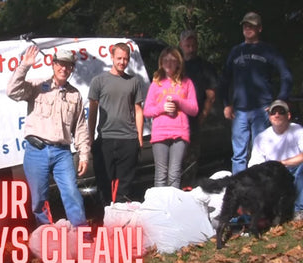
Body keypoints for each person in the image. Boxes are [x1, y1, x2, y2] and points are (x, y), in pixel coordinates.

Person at [6, 46, 91, 228]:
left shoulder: (75, 95)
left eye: (68, 65)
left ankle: (82, 234)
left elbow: (81, 127)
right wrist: (24, 66)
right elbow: (12, 91)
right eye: (60, 64)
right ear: (53, 65)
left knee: (72, 193)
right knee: (39, 199)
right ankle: (47, 235)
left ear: (72, 69)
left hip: (62, 154)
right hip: (36, 151)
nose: (63, 68)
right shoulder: (37, 85)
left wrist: (84, 154)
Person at [218, 12, 293, 174]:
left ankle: (261, 190)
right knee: (238, 155)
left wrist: (280, 101)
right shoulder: (235, 51)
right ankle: (239, 190)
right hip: (239, 112)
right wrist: (226, 104)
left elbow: (286, 75)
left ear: (259, 28)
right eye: (245, 25)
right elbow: (224, 80)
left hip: (262, 109)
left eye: (251, 26)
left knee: (262, 153)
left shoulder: (268, 50)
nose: (248, 28)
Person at [88, 42, 145, 209]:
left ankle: (121, 218)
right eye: (119, 58)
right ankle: (105, 219)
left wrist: (139, 137)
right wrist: (91, 137)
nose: (122, 62)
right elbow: (92, 112)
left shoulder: (133, 81)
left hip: (128, 139)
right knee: (104, 183)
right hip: (105, 139)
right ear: (112, 57)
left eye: (126, 59)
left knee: (125, 186)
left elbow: (138, 110)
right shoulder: (98, 81)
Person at [248, 100, 303, 221]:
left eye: (281, 112)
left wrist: (282, 163)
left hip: (294, 172)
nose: (277, 115)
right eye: (273, 112)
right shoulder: (261, 138)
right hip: (273, 176)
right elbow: (254, 165)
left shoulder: (298, 130)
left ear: (288, 115)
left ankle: (299, 211)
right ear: (269, 117)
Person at [143, 47, 198, 188]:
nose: (169, 63)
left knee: (174, 173)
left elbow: (194, 110)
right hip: (160, 133)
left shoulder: (187, 82)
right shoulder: (156, 83)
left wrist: (179, 101)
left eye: (173, 60)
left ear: (179, 63)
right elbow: (147, 111)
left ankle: (173, 206)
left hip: (180, 132)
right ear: (161, 62)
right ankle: (160, 208)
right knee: (161, 173)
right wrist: (162, 108)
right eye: (166, 60)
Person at [178, 30, 218, 187]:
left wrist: (203, 116)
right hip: (174, 122)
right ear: (181, 45)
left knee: (189, 163)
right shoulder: (175, 65)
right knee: (174, 162)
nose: (190, 48)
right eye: (187, 45)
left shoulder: (205, 67)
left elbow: (211, 95)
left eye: (193, 45)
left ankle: (187, 192)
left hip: (193, 121)